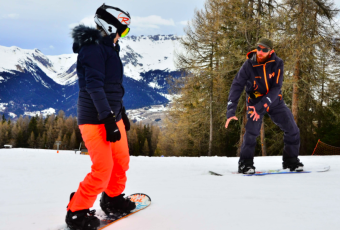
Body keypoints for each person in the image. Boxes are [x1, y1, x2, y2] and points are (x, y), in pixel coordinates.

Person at [65, 4, 135, 230]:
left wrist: (119, 115)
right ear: (110, 26)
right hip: (93, 119)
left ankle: (112, 198)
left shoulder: (110, 48)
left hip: (110, 116)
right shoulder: (92, 48)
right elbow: (94, 87)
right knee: (103, 169)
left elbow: (113, 87)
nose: (122, 36)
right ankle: (76, 211)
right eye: (122, 31)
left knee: (121, 161)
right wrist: (107, 119)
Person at [225, 38, 304, 174]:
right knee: (251, 132)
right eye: (259, 48)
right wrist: (230, 111)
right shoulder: (248, 65)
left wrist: (264, 105)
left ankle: (291, 161)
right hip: (255, 103)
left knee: (292, 130)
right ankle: (245, 164)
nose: (260, 52)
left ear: (271, 51)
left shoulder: (278, 63)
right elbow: (237, 86)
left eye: (264, 49)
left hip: (274, 101)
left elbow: (276, 87)